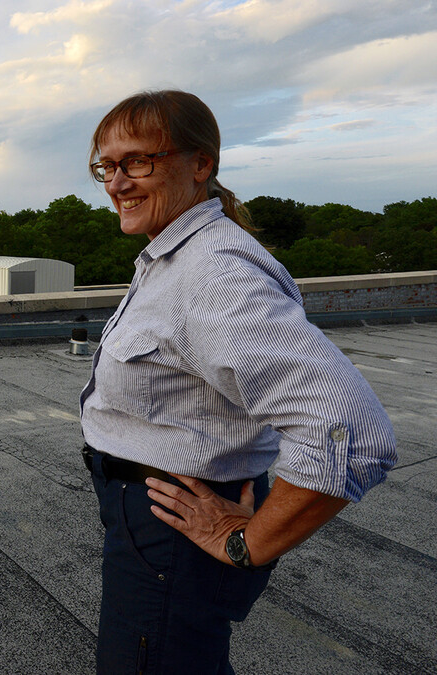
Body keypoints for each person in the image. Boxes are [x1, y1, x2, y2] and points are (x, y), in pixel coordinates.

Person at [78, 90, 396, 674]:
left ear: (201, 165)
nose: (116, 184)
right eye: (107, 166)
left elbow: (346, 425)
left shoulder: (212, 272)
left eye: (138, 162)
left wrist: (247, 542)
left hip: (172, 530)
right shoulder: (174, 256)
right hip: (156, 517)